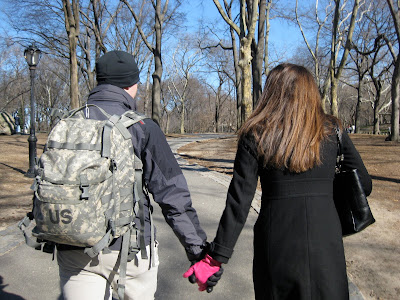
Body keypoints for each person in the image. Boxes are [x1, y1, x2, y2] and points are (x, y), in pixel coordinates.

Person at [184, 63, 372, 299]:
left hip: (276, 243)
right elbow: (363, 184)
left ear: (271, 93)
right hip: (325, 240)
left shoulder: (255, 134)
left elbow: (239, 201)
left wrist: (216, 258)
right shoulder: (332, 129)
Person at [56, 50, 207, 300]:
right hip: (131, 250)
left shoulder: (68, 123)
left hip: (74, 246)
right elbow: (173, 197)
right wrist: (199, 252)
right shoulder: (142, 128)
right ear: (132, 85)